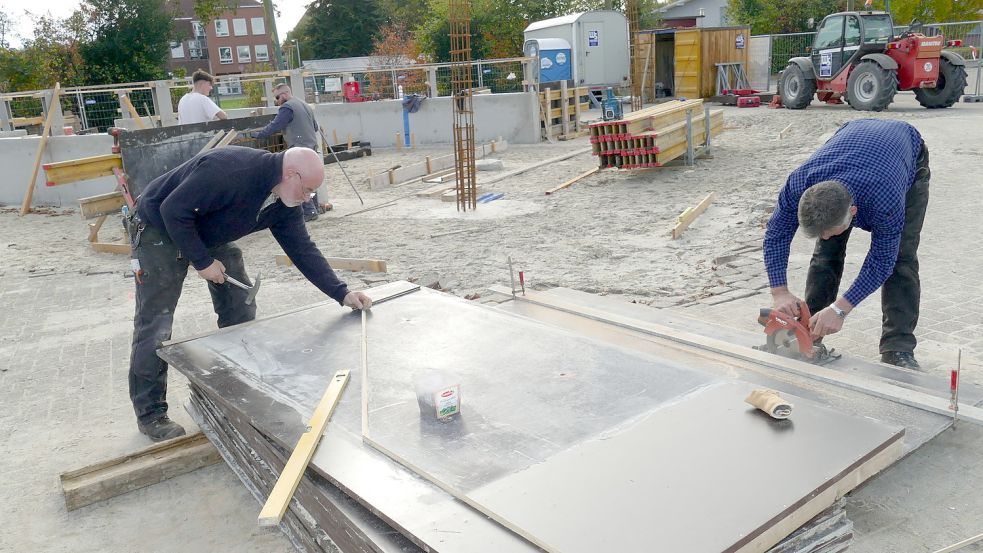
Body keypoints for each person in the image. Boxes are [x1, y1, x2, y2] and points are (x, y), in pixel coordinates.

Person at [127, 146, 372, 442]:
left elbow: (302, 249)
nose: (309, 199)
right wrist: (202, 262)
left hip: (206, 229)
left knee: (240, 307)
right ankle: (151, 414)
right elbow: (172, 210)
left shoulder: (284, 203)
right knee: (156, 323)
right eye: (307, 190)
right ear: (291, 174)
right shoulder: (229, 170)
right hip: (158, 226)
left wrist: (341, 292)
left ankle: (235, 390)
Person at [763, 119, 930, 369]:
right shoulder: (799, 184)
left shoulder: (886, 200)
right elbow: (776, 234)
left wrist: (841, 309)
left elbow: (882, 261)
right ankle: (812, 331)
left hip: (904, 158)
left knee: (901, 259)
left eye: (831, 231)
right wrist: (780, 292)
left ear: (853, 212)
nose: (827, 236)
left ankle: (898, 348)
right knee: (826, 253)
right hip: (852, 147)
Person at [249, 83, 325, 220]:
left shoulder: (287, 107)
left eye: (277, 98)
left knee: (300, 181)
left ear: (284, 95)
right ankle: (315, 208)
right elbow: (314, 127)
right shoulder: (304, 105)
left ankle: (309, 212)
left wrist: (258, 134)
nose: (277, 101)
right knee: (309, 179)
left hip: (299, 149)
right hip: (311, 147)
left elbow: (275, 125)